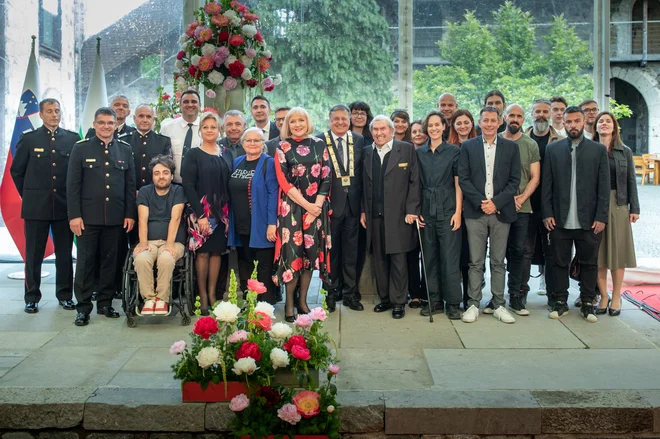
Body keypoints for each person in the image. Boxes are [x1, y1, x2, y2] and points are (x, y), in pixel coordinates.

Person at [67, 107, 136, 326]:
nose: (106, 126)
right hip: (88, 218)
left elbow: (129, 186)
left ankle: (105, 303)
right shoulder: (81, 148)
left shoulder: (125, 150)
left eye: (110, 123)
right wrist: (74, 216)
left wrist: (129, 214)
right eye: (101, 122)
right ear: (95, 124)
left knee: (110, 261)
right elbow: (73, 185)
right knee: (86, 263)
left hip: (115, 218)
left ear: (116, 124)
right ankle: (83, 307)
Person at [10, 98, 79, 314]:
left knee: (65, 255)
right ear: (41, 115)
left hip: (63, 206)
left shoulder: (72, 139)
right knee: (33, 254)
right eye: (49, 111)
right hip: (36, 207)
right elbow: (17, 171)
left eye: (57, 110)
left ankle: (65, 295)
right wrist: (30, 195)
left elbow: (76, 174)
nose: (54, 114)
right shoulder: (29, 139)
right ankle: (32, 297)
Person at [542, 106, 610, 323]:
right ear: (563, 122)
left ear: (583, 123)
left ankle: (588, 301)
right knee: (559, 261)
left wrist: (601, 216)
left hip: (589, 220)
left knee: (589, 262)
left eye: (576, 121)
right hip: (560, 218)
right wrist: (547, 213)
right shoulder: (553, 150)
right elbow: (547, 186)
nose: (572, 125)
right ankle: (560, 301)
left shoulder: (598, 150)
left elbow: (603, 187)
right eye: (568, 121)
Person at [458, 106, 520, 324]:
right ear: (480, 121)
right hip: (475, 212)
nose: (490, 124)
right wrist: (482, 203)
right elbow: (463, 179)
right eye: (486, 120)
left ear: (500, 121)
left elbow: (514, 181)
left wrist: (495, 203)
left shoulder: (511, 148)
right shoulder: (467, 146)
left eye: (494, 120)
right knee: (475, 262)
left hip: (500, 211)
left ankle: (499, 304)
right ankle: (473, 304)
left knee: (498, 261)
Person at [273, 107, 332, 322]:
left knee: (309, 257)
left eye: (301, 120)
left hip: (316, 209)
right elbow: (284, 181)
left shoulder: (319, 144)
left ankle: (303, 301)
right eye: (293, 121)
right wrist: (307, 206)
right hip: (293, 209)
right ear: (287, 124)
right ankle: (289, 304)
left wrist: (316, 206)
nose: (297, 124)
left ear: (308, 122)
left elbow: (327, 176)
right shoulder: (282, 146)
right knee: (293, 257)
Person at [360, 115, 420, 320]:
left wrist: (412, 210)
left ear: (392, 131)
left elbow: (415, 182)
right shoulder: (367, 152)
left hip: (400, 216)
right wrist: (362, 211)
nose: (378, 133)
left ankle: (398, 302)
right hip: (374, 214)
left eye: (382, 129)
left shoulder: (407, 149)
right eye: (375, 129)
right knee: (379, 259)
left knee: (398, 260)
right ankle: (385, 298)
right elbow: (363, 185)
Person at [490, 104, 540, 316]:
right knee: (497, 254)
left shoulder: (530, 144)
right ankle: (496, 298)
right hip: (497, 206)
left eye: (519, 116)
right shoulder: (494, 141)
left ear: (524, 119)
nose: (515, 119)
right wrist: (503, 200)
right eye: (512, 115)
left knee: (518, 252)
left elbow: (535, 177)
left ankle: (515, 297)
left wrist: (521, 198)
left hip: (522, 207)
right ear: (504, 118)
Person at [181, 112, 231, 315]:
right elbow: (188, 186)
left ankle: (212, 295)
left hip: (223, 213)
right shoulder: (193, 154)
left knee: (216, 253)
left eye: (213, 127)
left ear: (219, 130)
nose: (210, 130)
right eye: (205, 127)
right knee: (202, 253)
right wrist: (200, 215)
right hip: (200, 212)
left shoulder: (226, 152)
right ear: (200, 130)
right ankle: (201, 297)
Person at [416, 111, 462, 320]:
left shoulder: (454, 151)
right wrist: (417, 211)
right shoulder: (419, 153)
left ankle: (452, 303)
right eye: (430, 125)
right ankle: (433, 301)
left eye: (437, 125)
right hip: (427, 209)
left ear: (444, 126)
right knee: (429, 257)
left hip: (448, 208)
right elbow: (415, 184)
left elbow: (458, 183)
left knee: (449, 258)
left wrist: (458, 212)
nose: (434, 129)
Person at [593, 111, 639, 317]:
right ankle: (603, 295)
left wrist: (634, 208)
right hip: (594, 206)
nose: (604, 124)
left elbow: (631, 180)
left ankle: (617, 296)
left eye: (607, 121)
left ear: (614, 126)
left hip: (619, 204)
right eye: (600, 121)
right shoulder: (589, 150)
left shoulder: (625, 151)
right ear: (595, 126)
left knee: (618, 253)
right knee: (599, 253)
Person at [227, 128, 279, 305]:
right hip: (241, 223)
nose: (252, 143)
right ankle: (249, 302)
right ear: (242, 143)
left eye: (257, 140)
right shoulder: (238, 162)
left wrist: (272, 223)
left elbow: (274, 193)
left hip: (261, 223)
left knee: (263, 266)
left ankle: (265, 304)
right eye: (248, 140)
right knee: (245, 263)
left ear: (263, 143)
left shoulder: (268, 163)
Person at [321, 104, 365, 313]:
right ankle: (330, 292)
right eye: (336, 118)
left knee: (351, 253)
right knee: (331, 253)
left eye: (344, 118)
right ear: (329, 120)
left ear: (350, 120)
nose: (340, 122)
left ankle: (350, 294)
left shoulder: (358, 140)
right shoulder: (320, 141)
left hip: (353, 205)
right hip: (330, 205)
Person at [133, 155, 187, 315]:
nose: (161, 176)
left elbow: (175, 218)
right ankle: (149, 299)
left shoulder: (178, 191)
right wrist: (143, 244)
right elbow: (142, 219)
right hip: (148, 241)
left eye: (165, 172)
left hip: (173, 241)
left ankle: (162, 299)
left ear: (171, 175)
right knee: (141, 259)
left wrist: (169, 244)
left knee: (166, 258)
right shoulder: (144, 191)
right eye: (157, 173)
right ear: (152, 176)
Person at [523, 99, 564, 306]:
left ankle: (554, 295)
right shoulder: (521, 140)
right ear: (531, 114)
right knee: (524, 250)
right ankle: (521, 292)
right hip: (526, 205)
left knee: (552, 252)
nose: (541, 115)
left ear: (550, 114)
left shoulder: (560, 141)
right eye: (537, 111)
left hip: (551, 207)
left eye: (545, 111)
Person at [447, 109, 478, 308]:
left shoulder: (480, 146)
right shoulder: (447, 148)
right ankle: (451, 297)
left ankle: (470, 299)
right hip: (451, 208)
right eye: (459, 123)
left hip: (474, 208)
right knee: (453, 256)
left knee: (470, 257)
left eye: (466, 122)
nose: (463, 126)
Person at [128, 104, 172, 190]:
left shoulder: (163, 141)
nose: (145, 120)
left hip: (156, 192)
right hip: (131, 193)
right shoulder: (125, 141)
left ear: (153, 120)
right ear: (134, 118)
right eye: (141, 116)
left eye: (148, 116)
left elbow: (166, 169)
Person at [161, 89, 201, 183]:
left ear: (200, 105)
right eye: (186, 102)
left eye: (194, 102)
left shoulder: (208, 128)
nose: (190, 105)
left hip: (199, 185)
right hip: (173, 185)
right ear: (180, 105)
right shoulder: (167, 128)